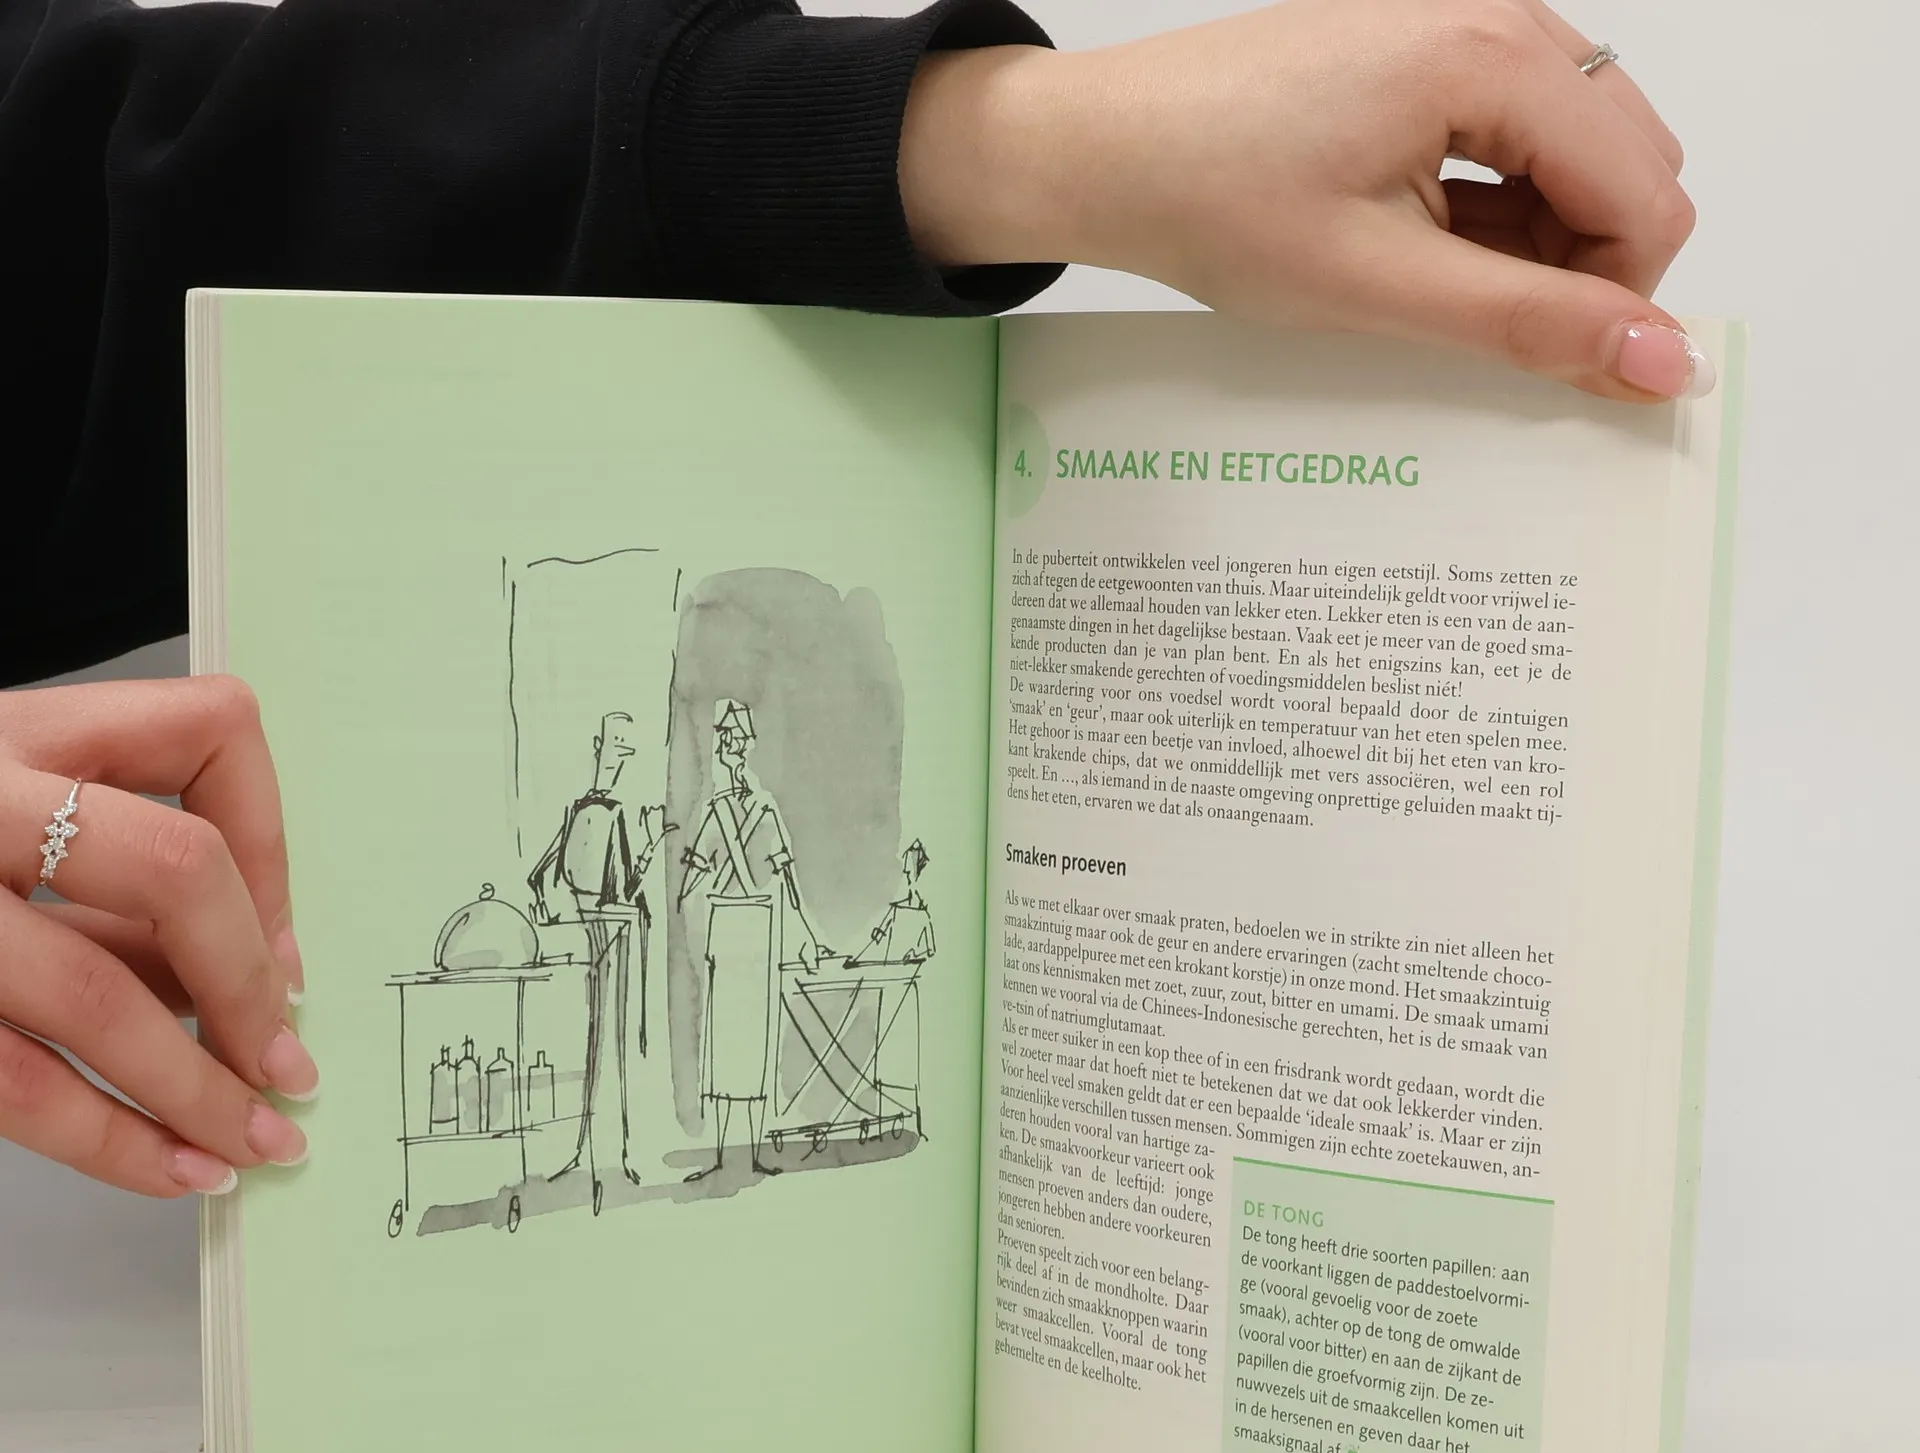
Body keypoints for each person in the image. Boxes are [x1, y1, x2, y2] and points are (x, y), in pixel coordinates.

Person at [0, 0, 1704, 1199]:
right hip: (625, 966)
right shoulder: (626, 814)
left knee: (755, 1043)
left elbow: (92, 216)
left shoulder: (713, 802)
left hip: (723, 943)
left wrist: (1010, 141)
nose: (703, 750)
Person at [676, 701, 826, 1181]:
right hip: (731, 924)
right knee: (725, 1038)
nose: (732, 749)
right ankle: (727, 1153)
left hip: (756, 926)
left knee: (754, 1037)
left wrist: (807, 933)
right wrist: (686, 896)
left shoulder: (762, 808)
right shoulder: (719, 811)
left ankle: (750, 1150)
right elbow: (696, 873)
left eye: (736, 740)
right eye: (728, 741)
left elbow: (787, 877)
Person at [526, 712, 670, 1189]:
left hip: (603, 931)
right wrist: (651, 843)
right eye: (616, 747)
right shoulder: (603, 811)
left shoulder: (586, 809)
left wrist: (549, 905)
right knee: (606, 1041)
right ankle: (601, 1149)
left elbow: (544, 875)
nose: (620, 758)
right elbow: (622, 886)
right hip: (607, 933)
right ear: (599, 746)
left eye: (626, 750)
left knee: (606, 1041)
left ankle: (610, 1149)